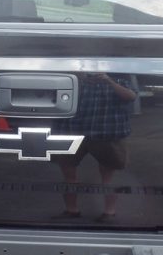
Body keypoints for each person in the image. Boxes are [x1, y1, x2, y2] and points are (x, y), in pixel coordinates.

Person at [53, 72, 137, 222]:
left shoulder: (120, 76)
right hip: (70, 130)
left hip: (106, 132)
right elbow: (53, 98)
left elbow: (130, 97)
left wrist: (109, 81)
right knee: (68, 175)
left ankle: (109, 212)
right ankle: (71, 210)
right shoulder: (71, 77)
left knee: (108, 177)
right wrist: (77, 79)